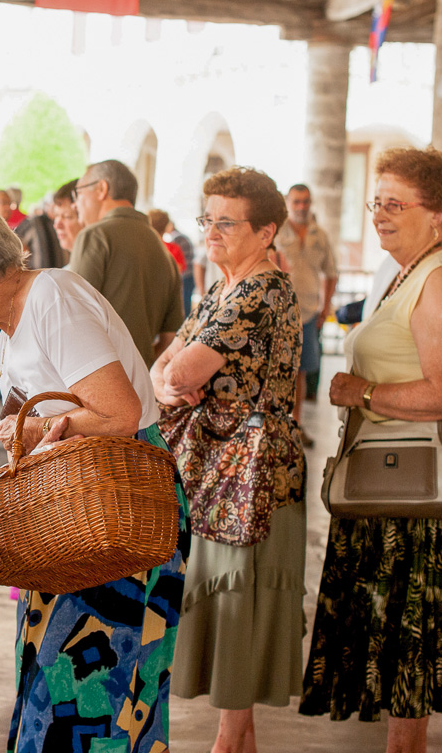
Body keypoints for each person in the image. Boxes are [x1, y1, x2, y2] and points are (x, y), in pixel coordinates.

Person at [0, 202, 188, 753]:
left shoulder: (52, 297)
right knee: (59, 686)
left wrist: (30, 430)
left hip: (120, 514)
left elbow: (118, 413)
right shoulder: (13, 325)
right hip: (81, 514)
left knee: (94, 697)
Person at [300, 147, 442, 753]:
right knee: (395, 651)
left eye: (395, 204)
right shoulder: (407, 271)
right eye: (376, 202)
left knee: (409, 653)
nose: (379, 214)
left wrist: (364, 390)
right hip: (393, 481)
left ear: (438, 214)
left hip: (417, 492)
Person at [153, 168, 306, 753]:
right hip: (221, 472)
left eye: (226, 222)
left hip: (254, 478)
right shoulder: (221, 290)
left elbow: (182, 370)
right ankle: (235, 744)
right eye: (207, 219)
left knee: (238, 607)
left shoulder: (258, 291)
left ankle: (226, 745)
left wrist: (175, 377)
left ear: (266, 231)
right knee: (228, 607)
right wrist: (172, 377)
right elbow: (161, 369)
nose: (212, 232)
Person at [69, 159, 184, 366]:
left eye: (78, 193)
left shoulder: (95, 235)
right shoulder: (163, 250)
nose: (75, 204)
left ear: (102, 189)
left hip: (95, 379)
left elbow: (72, 319)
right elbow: (170, 338)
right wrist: (139, 367)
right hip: (142, 383)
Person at [275, 184, 338, 442]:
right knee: (278, 370)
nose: (302, 207)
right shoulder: (276, 232)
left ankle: (296, 425)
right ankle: (276, 425)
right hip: (279, 314)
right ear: (289, 203)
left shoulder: (320, 235)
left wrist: (325, 308)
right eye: (297, 202)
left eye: (306, 202)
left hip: (308, 314)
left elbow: (331, 273)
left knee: (300, 371)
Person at [148, 209, 196, 316]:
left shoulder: (142, 248)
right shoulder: (173, 249)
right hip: (168, 300)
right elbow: (177, 274)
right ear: (167, 226)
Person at [14, 194, 65, 270]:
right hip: (36, 276)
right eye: (55, 204)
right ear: (47, 205)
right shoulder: (33, 222)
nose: (57, 207)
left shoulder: (62, 222)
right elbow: (16, 245)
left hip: (60, 274)